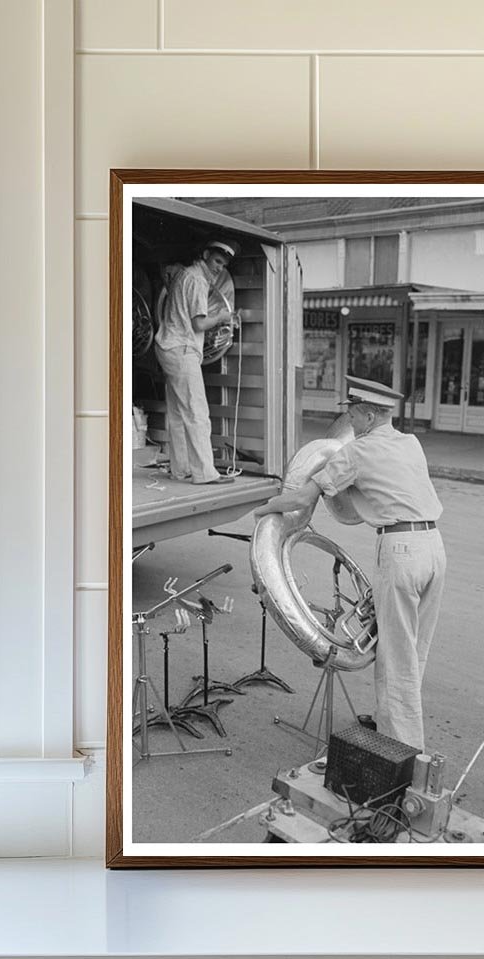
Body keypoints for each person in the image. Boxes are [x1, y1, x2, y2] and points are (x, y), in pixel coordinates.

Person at [254, 376, 446, 751]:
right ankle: (389, 721)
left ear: (371, 415)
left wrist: (263, 510)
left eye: (354, 416)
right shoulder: (411, 443)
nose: (351, 424)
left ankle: (401, 752)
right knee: (414, 650)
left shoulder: (357, 453)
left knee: (394, 656)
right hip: (434, 547)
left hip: (401, 550)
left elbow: (299, 499)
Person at [154, 240, 239, 485]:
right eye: (216, 261)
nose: (219, 268)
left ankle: (180, 469)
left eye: (223, 265)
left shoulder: (184, 274)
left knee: (178, 413)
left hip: (167, 346)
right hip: (182, 349)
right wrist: (222, 316)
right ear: (204, 255)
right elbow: (199, 324)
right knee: (197, 412)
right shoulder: (198, 280)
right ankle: (205, 473)